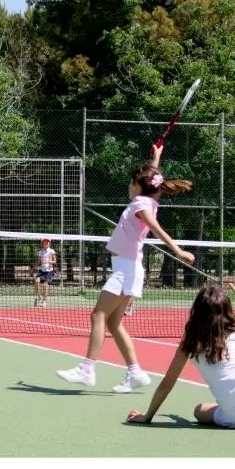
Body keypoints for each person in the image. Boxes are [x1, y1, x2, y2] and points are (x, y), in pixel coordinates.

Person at [56, 145, 195, 393]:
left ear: (137, 185)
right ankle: (135, 373)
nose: (129, 187)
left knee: (98, 315)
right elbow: (153, 182)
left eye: (132, 183)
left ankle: (87, 369)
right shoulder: (149, 199)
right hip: (128, 269)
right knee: (113, 323)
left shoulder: (140, 204)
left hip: (126, 270)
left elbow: (156, 228)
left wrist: (178, 251)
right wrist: (156, 157)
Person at [125, 277, 235, 429]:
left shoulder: (189, 344)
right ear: (226, 310)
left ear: (196, 312)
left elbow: (167, 384)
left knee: (199, 411)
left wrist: (147, 416)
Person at [33, 237, 56, 307]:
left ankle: (44, 301)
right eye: (44, 242)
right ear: (42, 243)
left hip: (49, 271)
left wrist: (48, 261)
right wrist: (33, 268)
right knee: (37, 281)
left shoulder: (52, 251)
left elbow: (54, 261)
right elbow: (38, 261)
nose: (46, 243)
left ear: (49, 243)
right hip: (41, 270)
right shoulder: (40, 252)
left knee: (45, 285)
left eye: (47, 242)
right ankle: (37, 297)